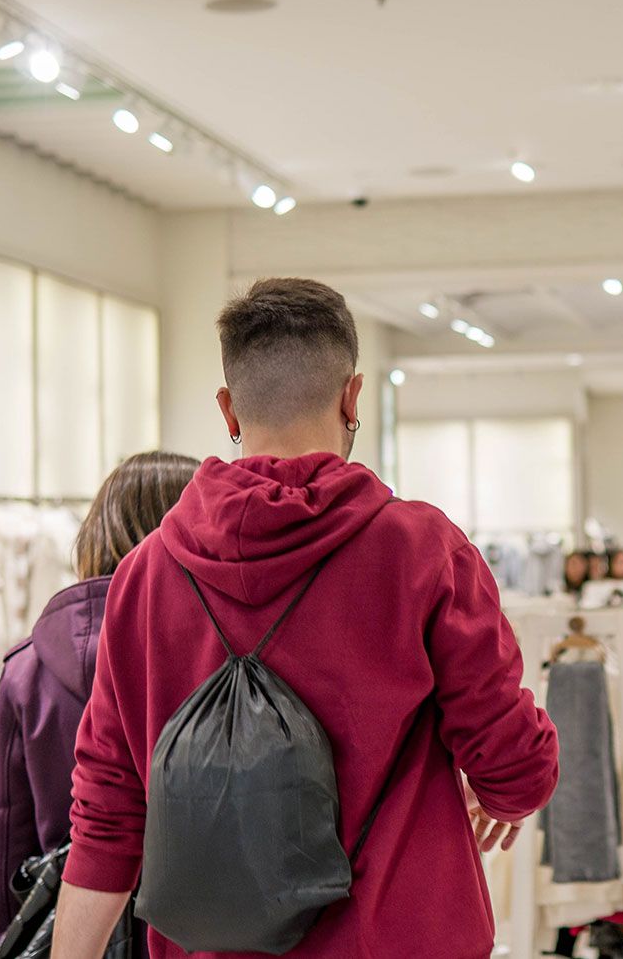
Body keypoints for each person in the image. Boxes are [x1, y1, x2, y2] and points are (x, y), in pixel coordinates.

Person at [53, 278, 561, 958]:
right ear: (353, 398)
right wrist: (505, 795)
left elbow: (107, 816)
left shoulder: (144, 575)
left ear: (229, 409)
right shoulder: (422, 551)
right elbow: (512, 762)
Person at [0, 450, 200, 938]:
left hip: (75, 931)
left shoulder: (26, 670)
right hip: (199, 932)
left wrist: (10, 937)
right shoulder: (213, 654)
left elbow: (8, 834)